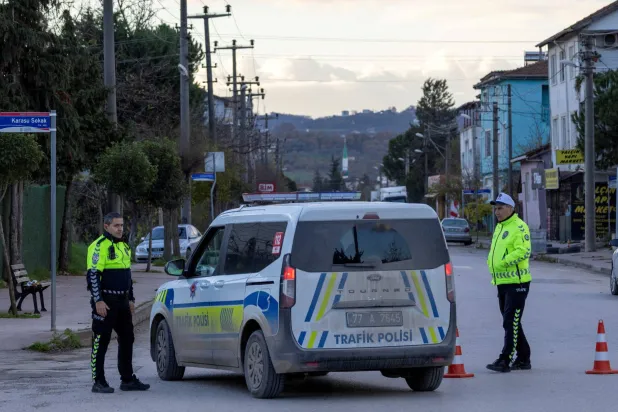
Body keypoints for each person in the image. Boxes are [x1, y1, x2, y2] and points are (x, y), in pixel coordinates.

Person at [87, 212, 150, 393]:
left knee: (127, 338)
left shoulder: (124, 246)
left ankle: (127, 379)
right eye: (116, 225)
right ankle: (98, 381)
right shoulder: (98, 246)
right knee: (101, 340)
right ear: (106, 226)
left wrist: (131, 298)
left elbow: (127, 275)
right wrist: (98, 300)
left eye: (121, 225)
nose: (120, 228)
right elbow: (93, 276)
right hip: (106, 301)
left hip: (122, 301)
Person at [485, 193, 532, 373]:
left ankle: (505, 359)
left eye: (500, 208)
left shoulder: (519, 227)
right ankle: (524, 357)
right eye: (495, 208)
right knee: (511, 322)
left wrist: (503, 261)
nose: (497, 212)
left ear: (510, 209)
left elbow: (523, 251)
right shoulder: (500, 227)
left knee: (510, 321)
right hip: (502, 282)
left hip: (517, 282)